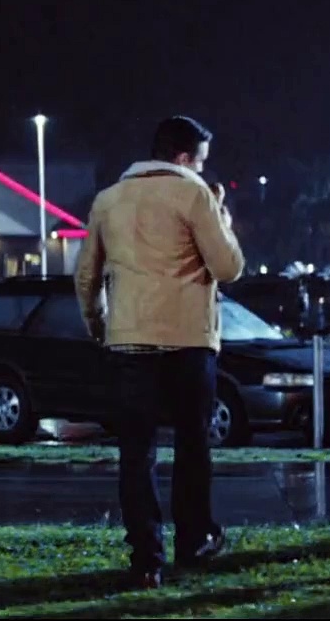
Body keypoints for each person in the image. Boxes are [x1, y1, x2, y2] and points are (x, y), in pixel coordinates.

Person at [75, 115, 246, 589]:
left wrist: (100, 325)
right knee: (193, 446)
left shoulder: (109, 200)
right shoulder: (194, 195)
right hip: (188, 342)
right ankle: (193, 540)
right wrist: (221, 216)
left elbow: (87, 276)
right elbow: (228, 267)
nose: (203, 170)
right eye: (201, 161)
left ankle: (146, 559)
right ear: (184, 158)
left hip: (129, 342)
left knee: (136, 454)